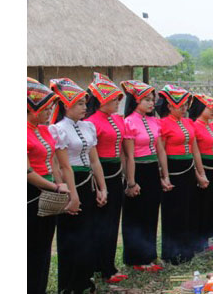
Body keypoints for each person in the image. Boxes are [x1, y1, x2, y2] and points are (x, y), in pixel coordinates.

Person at [49, 78, 108, 294]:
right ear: (66, 105)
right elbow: (61, 166)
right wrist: (71, 194)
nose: (85, 108)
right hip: (71, 184)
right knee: (70, 235)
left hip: (88, 183)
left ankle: (84, 278)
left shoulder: (88, 126)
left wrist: (103, 188)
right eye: (80, 104)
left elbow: (95, 161)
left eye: (85, 104)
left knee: (88, 233)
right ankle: (69, 283)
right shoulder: (58, 129)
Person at [84, 73, 128, 283]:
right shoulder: (91, 123)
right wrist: (100, 184)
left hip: (115, 173)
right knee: (99, 223)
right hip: (100, 174)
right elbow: (92, 157)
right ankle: (98, 266)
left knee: (112, 222)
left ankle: (109, 265)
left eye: (118, 100)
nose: (117, 103)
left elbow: (122, 150)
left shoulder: (116, 120)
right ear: (101, 101)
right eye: (113, 100)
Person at [120, 80, 167, 272]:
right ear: (136, 101)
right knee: (136, 215)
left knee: (150, 213)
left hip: (152, 169)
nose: (151, 103)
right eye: (146, 100)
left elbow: (160, 150)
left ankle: (149, 255)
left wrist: (165, 175)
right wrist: (131, 182)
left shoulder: (154, 121)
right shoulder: (129, 122)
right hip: (137, 169)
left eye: (152, 100)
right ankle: (136, 258)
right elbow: (128, 156)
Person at [157, 85, 206, 265]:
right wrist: (165, 175)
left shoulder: (188, 123)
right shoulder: (163, 124)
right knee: (173, 211)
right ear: (170, 106)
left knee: (188, 209)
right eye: (180, 105)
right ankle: (171, 252)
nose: (184, 108)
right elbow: (160, 150)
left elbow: (195, 150)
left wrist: (200, 173)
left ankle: (186, 248)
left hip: (188, 168)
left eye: (186, 105)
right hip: (173, 168)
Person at [27, 78, 65, 294]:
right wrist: (55, 187)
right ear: (33, 108)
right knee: (30, 247)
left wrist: (58, 183)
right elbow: (26, 172)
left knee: (43, 246)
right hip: (30, 193)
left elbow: (53, 161)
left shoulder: (44, 130)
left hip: (48, 190)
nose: (50, 110)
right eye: (46, 107)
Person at [188, 94, 213, 250]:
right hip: (203, 166)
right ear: (201, 108)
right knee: (201, 204)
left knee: (211, 203)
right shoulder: (195, 126)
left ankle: (206, 239)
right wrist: (200, 173)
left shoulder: (211, 125)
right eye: (210, 107)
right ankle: (198, 240)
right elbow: (195, 152)